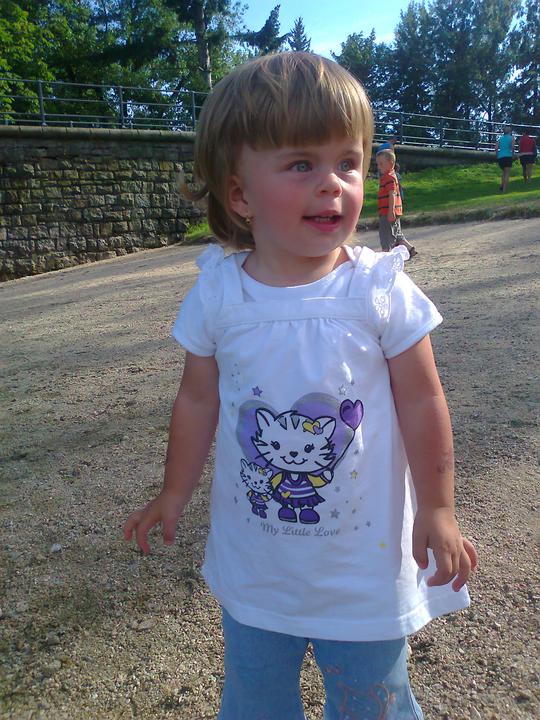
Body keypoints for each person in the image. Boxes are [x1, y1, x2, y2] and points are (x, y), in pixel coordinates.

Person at [124, 52, 477, 720]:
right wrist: (173, 492)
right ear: (239, 195)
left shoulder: (379, 290)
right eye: (301, 165)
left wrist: (438, 506)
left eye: (347, 162)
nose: (332, 185)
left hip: (363, 572)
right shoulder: (219, 294)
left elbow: (423, 399)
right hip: (257, 569)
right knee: (255, 699)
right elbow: (196, 400)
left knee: (373, 701)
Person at [376, 149, 416, 257]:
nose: (378, 167)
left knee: (386, 235)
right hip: (392, 211)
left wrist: (391, 211)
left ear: (391, 163)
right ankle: (410, 249)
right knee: (396, 233)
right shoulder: (389, 176)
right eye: (378, 164)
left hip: (388, 212)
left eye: (381, 164)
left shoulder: (389, 177)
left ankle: (386, 255)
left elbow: (392, 194)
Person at [496, 124, 514, 192]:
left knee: (503, 172)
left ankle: (501, 185)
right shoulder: (511, 138)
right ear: (510, 131)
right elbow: (512, 147)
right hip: (508, 156)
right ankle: (504, 189)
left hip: (501, 157)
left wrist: (497, 155)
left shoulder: (500, 138)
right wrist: (512, 154)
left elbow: (496, 148)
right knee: (507, 173)